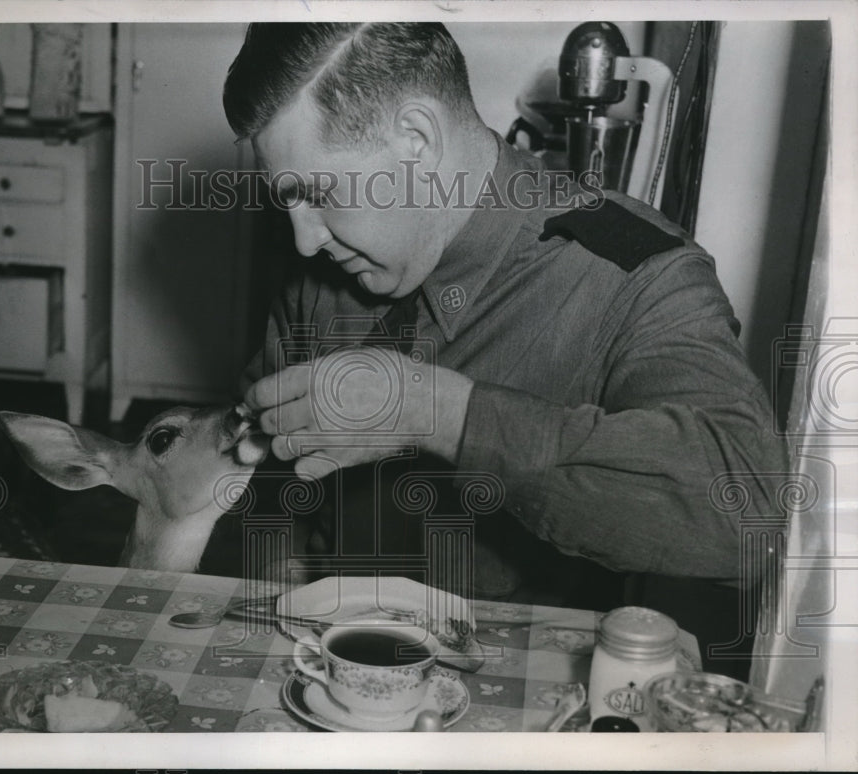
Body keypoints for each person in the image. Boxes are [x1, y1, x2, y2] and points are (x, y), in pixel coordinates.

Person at [222, 22, 787, 678]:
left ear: (416, 139)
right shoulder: (330, 265)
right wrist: (285, 592)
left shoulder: (629, 274)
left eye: (319, 194)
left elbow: (750, 515)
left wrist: (442, 416)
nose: (303, 241)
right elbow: (264, 478)